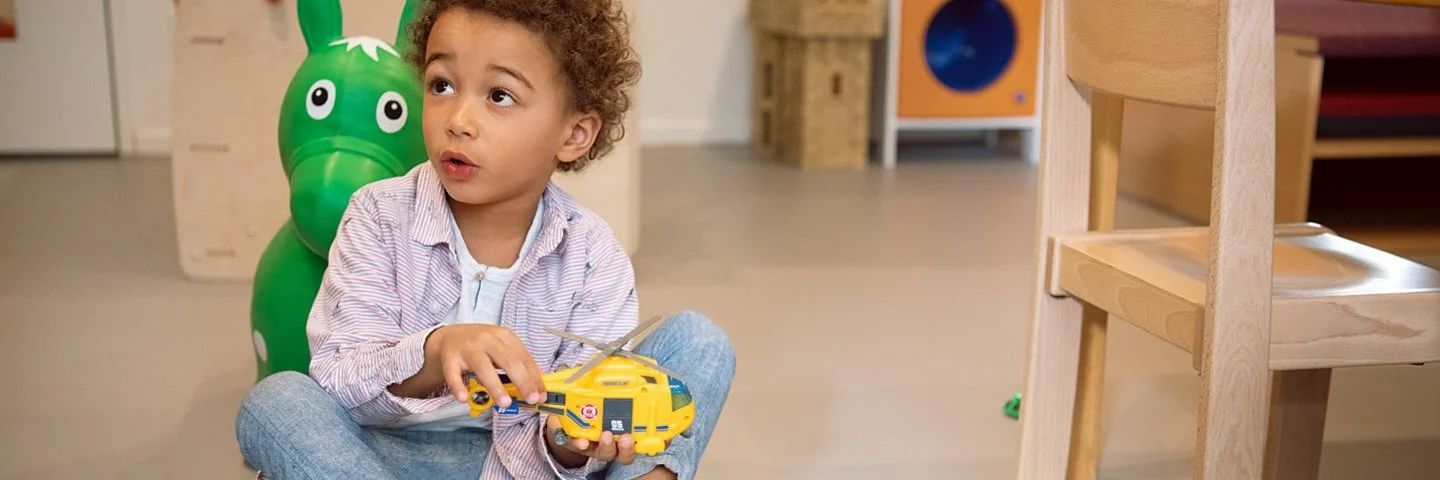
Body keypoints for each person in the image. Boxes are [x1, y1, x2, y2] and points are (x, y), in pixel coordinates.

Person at [234, 1, 736, 479]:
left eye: (499, 96)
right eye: (441, 84)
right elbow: (340, 381)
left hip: (527, 468)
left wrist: (573, 440)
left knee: (701, 342)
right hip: (384, 460)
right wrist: (436, 352)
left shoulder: (591, 256)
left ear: (574, 134)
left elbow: (566, 434)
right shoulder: (376, 216)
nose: (457, 120)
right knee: (275, 403)